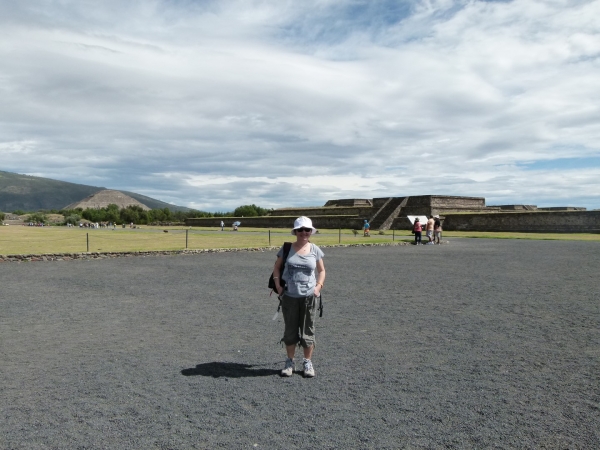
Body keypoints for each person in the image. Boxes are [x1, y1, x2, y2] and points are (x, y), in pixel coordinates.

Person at [272, 216, 325, 378]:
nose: (304, 232)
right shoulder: (287, 249)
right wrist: (278, 286)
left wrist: (318, 287)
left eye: (307, 230)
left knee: (308, 330)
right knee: (290, 331)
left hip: (309, 296)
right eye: (300, 230)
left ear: (311, 232)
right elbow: (276, 267)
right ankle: (289, 361)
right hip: (289, 296)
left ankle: (307, 362)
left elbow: (322, 271)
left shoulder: (315, 249)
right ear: (295, 232)